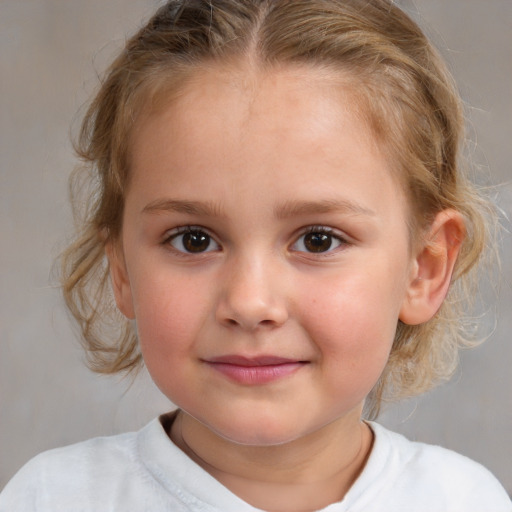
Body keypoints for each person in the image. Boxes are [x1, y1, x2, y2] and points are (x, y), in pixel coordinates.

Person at [1, 0, 510, 510]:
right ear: (122, 268)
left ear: (423, 268)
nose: (249, 302)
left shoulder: (463, 500)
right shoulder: (52, 499)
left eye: (318, 240)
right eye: (193, 239)